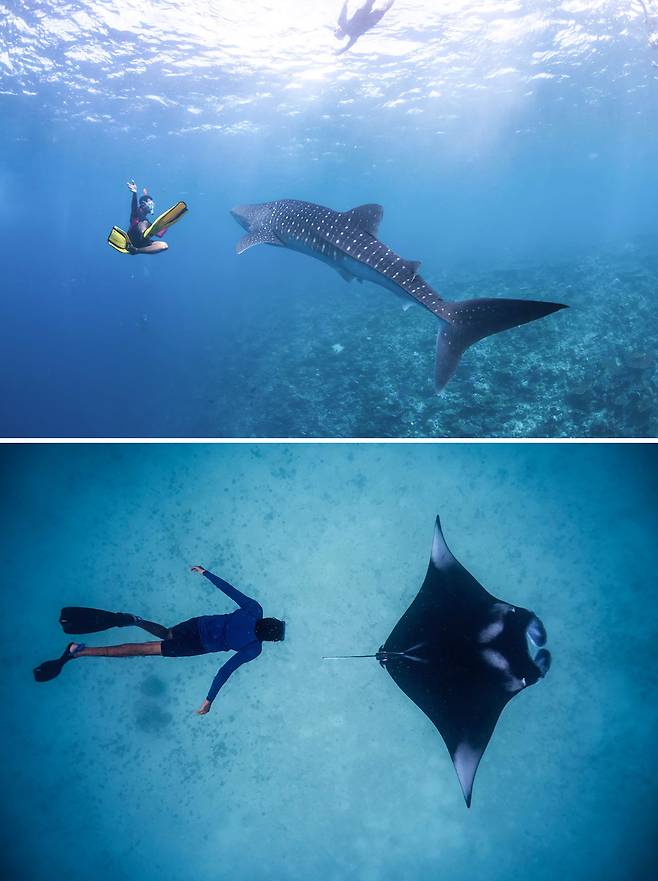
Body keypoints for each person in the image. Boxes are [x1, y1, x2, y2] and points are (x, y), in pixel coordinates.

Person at [35, 568, 285, 716]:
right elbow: (225, 670)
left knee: (166, 634)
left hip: (196, 625)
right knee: (144, 650)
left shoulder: (254, 609)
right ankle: (81, 652)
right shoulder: (253, 649)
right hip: (197, 646)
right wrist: (209, 700)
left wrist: (206, 573)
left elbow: (230, 590)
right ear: (268, 639)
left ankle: (136, 620)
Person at [126, 180, 168, 254]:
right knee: (145, 223)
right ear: (143, 204)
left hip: (139, 245)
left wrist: (168, 221)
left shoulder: (148, 223)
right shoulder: (137, 213)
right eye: (149, 201)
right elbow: (134, 206)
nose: (152, 204)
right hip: (132, 239)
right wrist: (134, 193)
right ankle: (144, 234)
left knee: (164, 245)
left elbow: (159, 233)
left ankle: (136, 250)